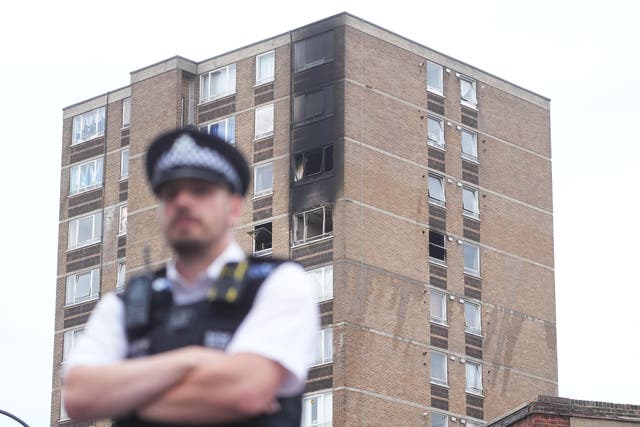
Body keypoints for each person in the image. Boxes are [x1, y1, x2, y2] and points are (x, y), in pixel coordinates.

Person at [63, 129, 319, 426]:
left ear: (234, 208)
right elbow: (79, 396)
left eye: (201, 190)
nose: (183, 202)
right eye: (171, 193)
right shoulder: (123, 305)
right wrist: (194, 359)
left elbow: (244, 391)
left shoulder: (277, 282)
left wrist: (129, 401)